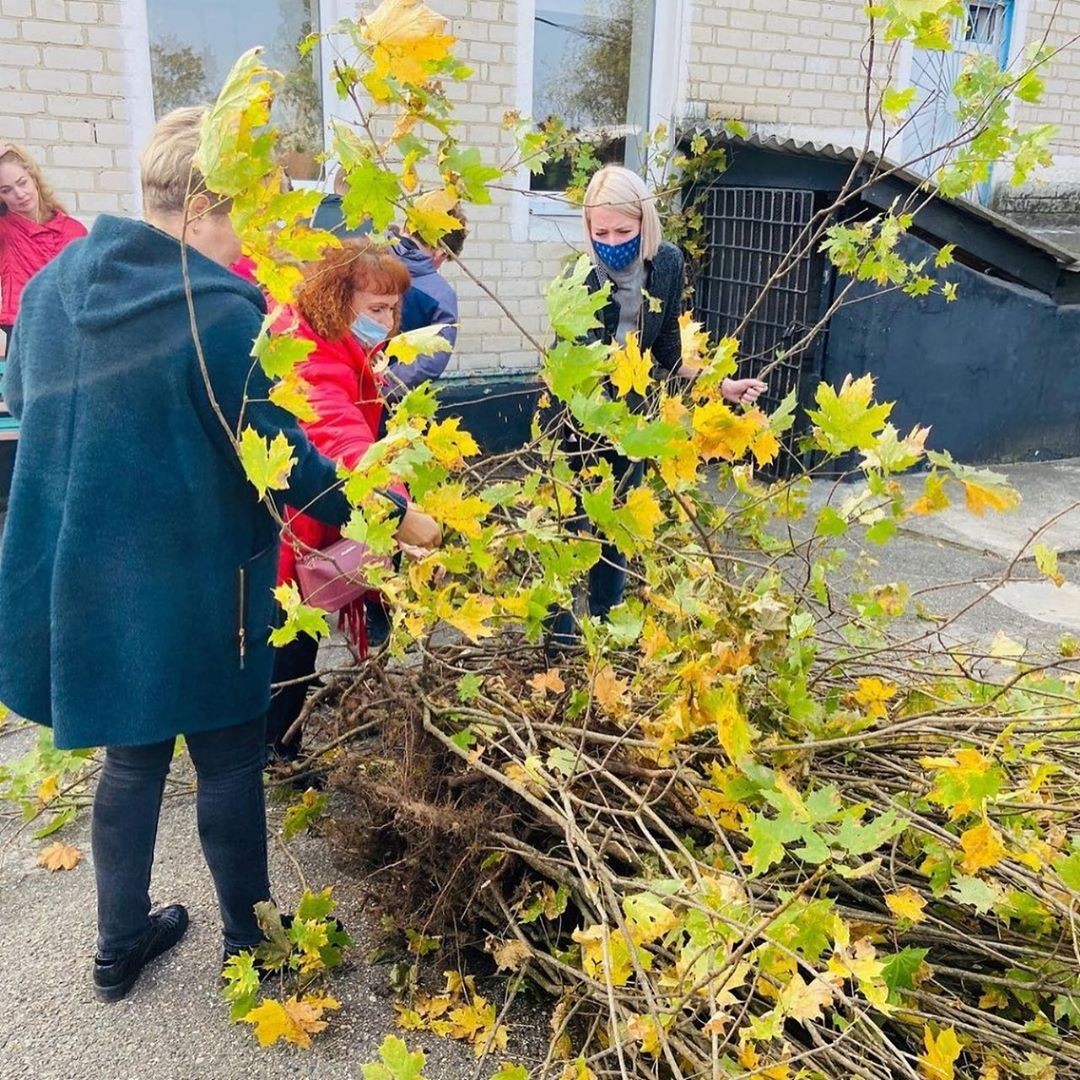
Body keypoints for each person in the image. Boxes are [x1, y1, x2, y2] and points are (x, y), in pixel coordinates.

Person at [0, 106, 440, 1002]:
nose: (252, 234)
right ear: (201, 203)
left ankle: (118, 944)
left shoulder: (49, 290)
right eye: (245, 208)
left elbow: (24, 406)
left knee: (132, 764)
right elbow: (297, 473)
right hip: (202, 587)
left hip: (91, 580)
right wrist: (399, 517)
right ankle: (252, 944)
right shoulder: (223, 314)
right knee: (231, 767)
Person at [549, 165, 766, 647]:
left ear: (645, 223)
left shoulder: (666, 263)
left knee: (619, 527)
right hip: (577, 417)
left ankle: (608, 634)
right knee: (570, 529)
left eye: (623, 231)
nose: (611, 241)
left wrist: (719, 384)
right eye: (599, 231)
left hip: (634, 420)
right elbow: (579, 364)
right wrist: (607, 422)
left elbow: (666, 350)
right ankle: (558, 643)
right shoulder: (580, 275)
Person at [265, 239, 421, 762]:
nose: (388, 318)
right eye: (376, 308)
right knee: (291, 640)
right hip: (296, 525)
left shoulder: (332, 337)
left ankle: (276, 741)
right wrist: (397, 510)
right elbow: (342, 439)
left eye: (393, 307)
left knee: (295, 638)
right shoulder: (312, 351)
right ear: (337, 297)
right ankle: (275, 752)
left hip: (306, 518)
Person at [0, 142, 86, 340]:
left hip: (69, 329)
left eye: (22, 182)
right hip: (23, 329)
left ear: (34, 179)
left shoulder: (73, 230)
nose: (19, 194)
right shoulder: (5, 230)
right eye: (6, 190)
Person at [384, 207, 467, 403]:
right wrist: (382, 385)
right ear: (440, 252)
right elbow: (431, 360)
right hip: (392, 402)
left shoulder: (367, 253)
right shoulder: (440, 294)